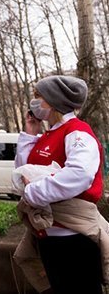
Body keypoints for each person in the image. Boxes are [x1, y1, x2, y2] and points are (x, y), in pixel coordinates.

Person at [15, 75, 104, 294]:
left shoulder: (77, 132)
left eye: (38, 97)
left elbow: (79, 174)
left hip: (73, 237)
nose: (34, 102)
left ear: (53, 101)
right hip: (50, 234)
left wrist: (33, 192)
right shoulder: (50, 133)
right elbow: (23, 171)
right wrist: (29, 134)